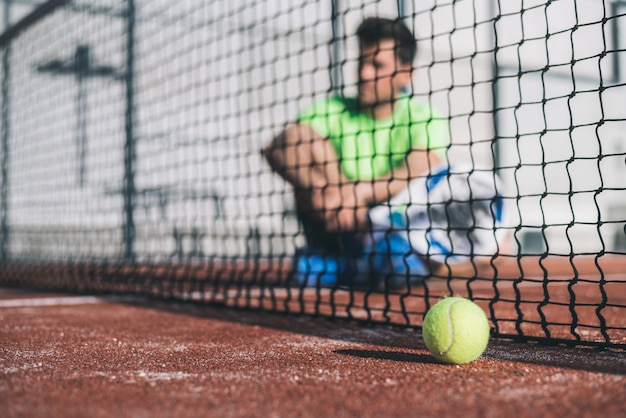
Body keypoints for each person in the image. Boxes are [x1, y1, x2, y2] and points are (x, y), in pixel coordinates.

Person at [264, 17, 506, 290]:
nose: (364, 73)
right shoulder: (332, 109)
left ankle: (356, 267)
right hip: (336, 227)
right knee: (307, 145)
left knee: (482, 254)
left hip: (397, 233)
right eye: (362, 62)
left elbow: (418, 166)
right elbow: (278, 147)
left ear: (405, 73)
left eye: (377, 65)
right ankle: (357, 264)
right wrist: (327, 187)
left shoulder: (423, 117)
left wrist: (360, 193)